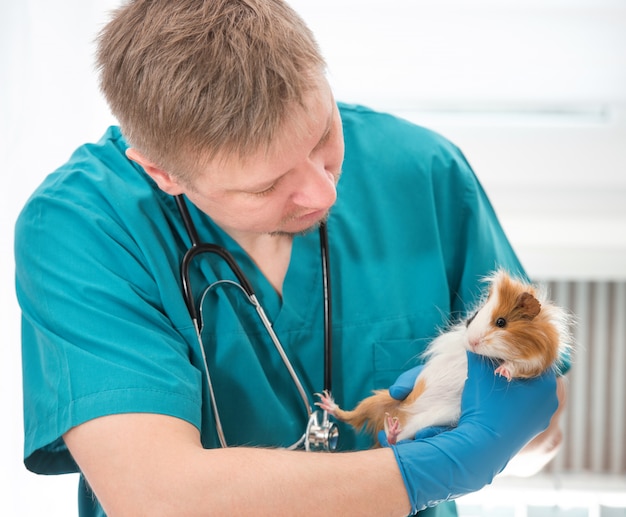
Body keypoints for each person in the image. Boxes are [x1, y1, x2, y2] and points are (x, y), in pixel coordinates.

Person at [15, 0, 567, 515]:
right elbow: (158, 496)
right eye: (267, 185)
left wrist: (511, 434)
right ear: (164, 174)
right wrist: (440, 467)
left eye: (323, 134)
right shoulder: (83, 227)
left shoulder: (422, 172)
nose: (325, 193)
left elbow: (539, 432)